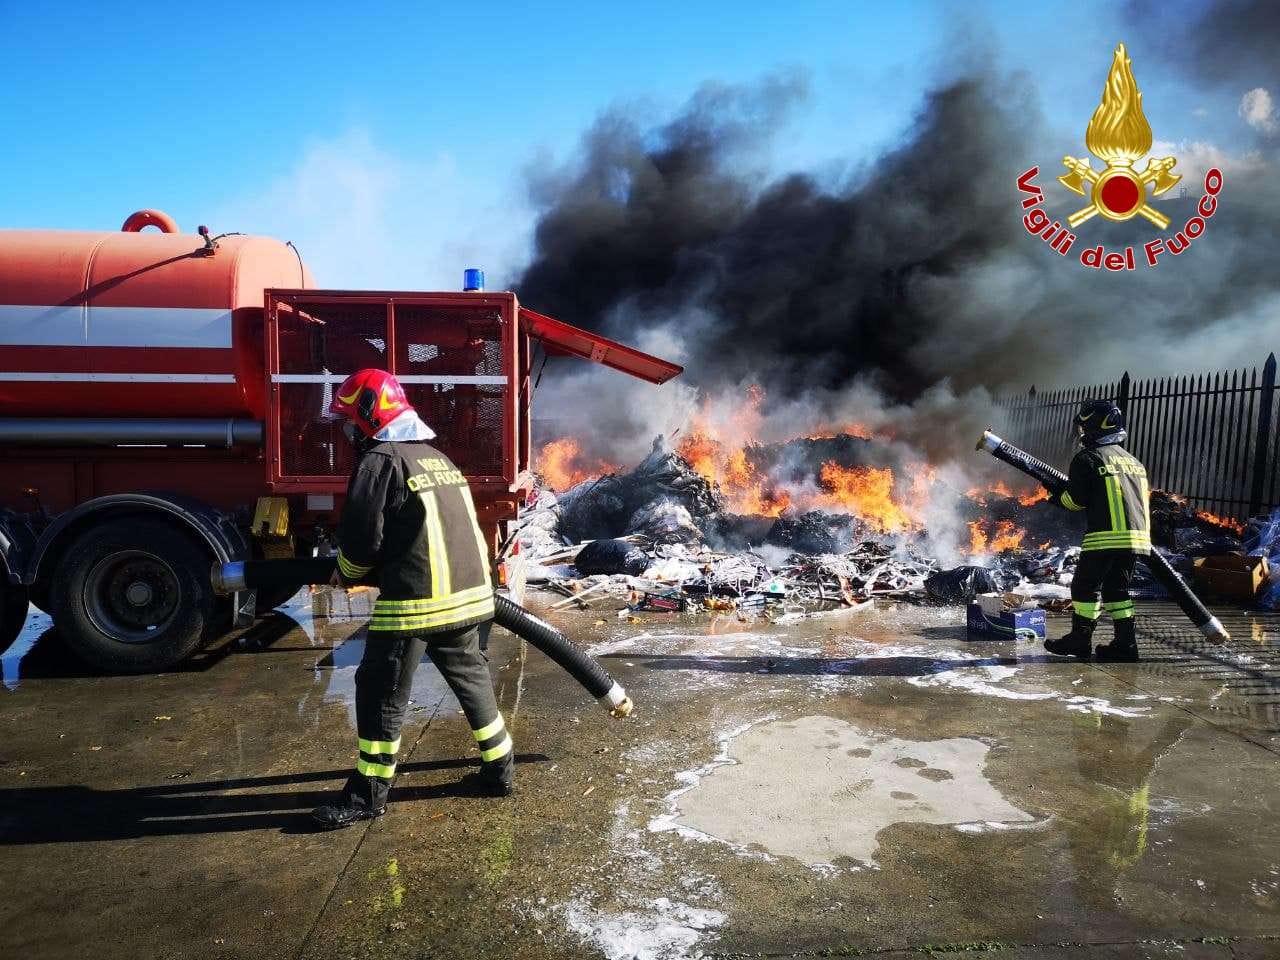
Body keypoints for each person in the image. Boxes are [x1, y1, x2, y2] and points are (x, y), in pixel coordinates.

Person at [311, 368, 513, 831]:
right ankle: (501, 769)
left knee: (379, 690)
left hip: (417, 605)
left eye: (347, 422)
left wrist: (348, 573)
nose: (346, 433)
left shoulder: (380, 460)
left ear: (366, 417)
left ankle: (368, 793)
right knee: (473, 682)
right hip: (471, 598)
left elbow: (362, 539)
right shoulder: (438, 458)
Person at [1045, 398, 1151, 663]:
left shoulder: (1088, 458)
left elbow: (1075, 501)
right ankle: (1126, 645)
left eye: (1084, 427)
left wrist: (1056, 497)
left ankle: (1080, 639)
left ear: (1095, 427)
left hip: (1105, 536)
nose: (1081, 434)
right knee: (1118, 591)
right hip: (1137, 538)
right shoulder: (1133, 461)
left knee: (1084, 588)